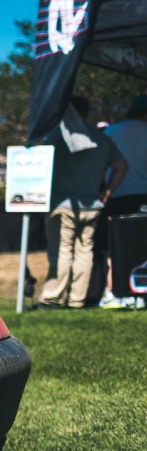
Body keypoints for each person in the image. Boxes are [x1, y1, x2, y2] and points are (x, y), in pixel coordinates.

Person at [38, 96, 128, 310]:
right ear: (87, 114)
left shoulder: (56, 136)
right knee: (84, 251)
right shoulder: (101, 138)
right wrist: (106, 192)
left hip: (62, 203)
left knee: (61, 250)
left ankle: (53, 297)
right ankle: (77, 298)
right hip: (92, 204)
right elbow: (122, 166)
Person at [99, 94, 147, 308]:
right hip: (143, 193)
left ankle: (115, 291)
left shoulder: (112, 131)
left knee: (116, 247)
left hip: (118, 194)